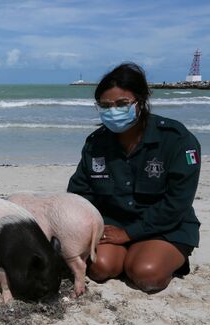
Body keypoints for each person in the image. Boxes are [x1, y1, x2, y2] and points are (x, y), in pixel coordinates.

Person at [68, 62, 201, 293]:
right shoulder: (96, 143)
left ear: (140, 101)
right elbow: (80, 193)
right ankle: (130, 254)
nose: (113, 111)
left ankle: (163, 257)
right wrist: (90, 228)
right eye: (105, 106)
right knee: (100, 268)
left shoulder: (177, 140)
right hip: (113, 224)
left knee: (145, 274)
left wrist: (130, 234)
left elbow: (177, 203)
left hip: (166, 227)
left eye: (122, 104)